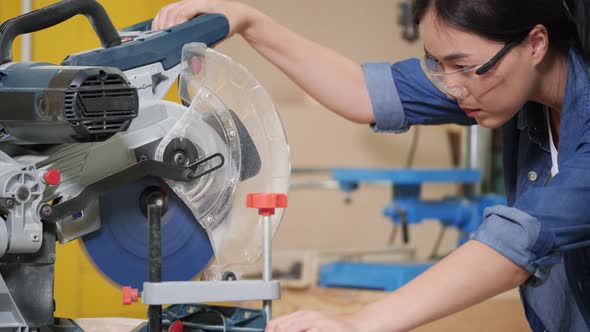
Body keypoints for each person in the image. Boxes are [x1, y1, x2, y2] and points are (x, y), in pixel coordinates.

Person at [153, 0, 590, 331]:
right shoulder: (492, 81)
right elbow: (364, 90)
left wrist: (358, 324)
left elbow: (518, 244)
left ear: (535, 43)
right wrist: (250, 21)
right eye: (437, 65)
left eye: (461, 66)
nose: (451, 88)